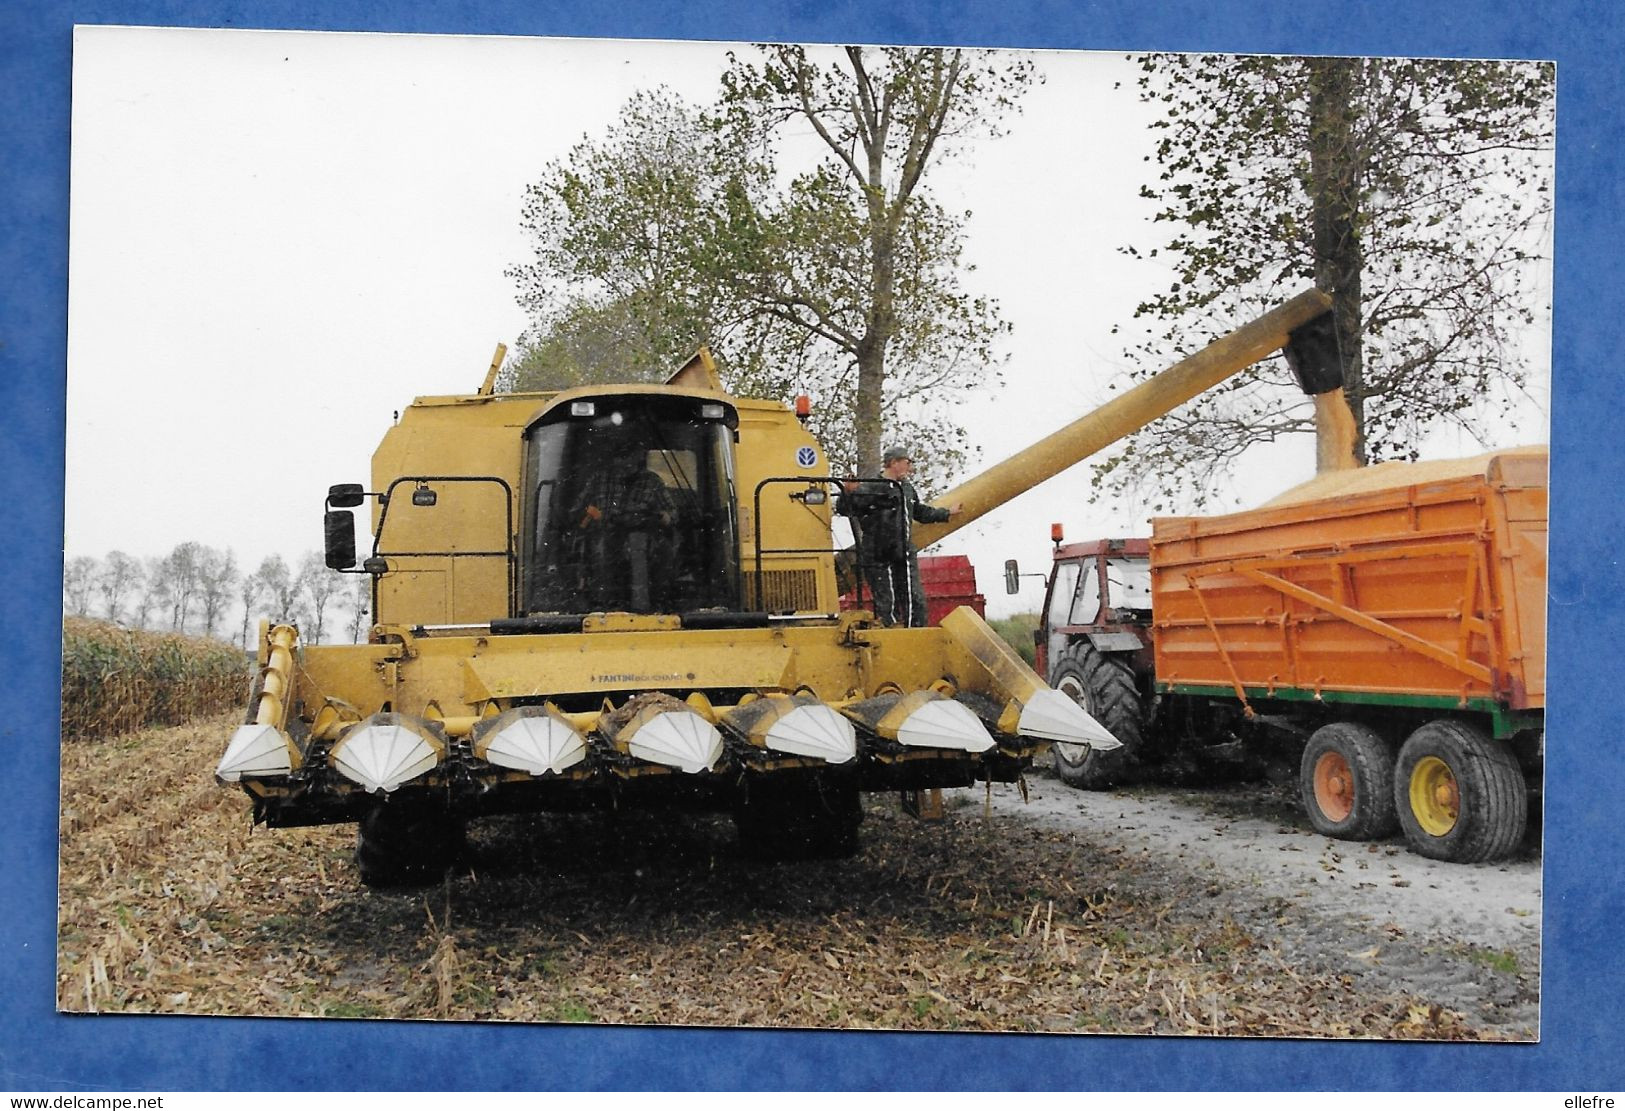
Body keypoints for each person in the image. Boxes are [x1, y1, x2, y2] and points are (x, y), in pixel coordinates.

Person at [840, 446, 963, 627]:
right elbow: (846, 509)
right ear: (893, 463)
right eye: (907, 463)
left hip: (902, 551)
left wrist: (946, 513)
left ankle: (916, 633)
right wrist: (848, 493)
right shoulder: (871, 486)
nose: (910, 468)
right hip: (876, 553)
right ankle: (890, 634)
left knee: (914, 597)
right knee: (886, 602)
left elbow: (920, 512)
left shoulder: (906, 488)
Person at [570, 453, 676, 611]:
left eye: (631, 455)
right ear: (614, 459)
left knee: (662, 552)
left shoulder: (652, 481)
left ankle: (653, 603)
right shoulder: (598, 480)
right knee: (600, 553)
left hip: (643, 543)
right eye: (622, 455)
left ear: (638, 459)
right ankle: (602, 604)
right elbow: (577, 511)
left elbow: (672, 515)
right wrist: (593, 515)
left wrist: (658, 516)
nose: (626, 461)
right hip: (604, 541)